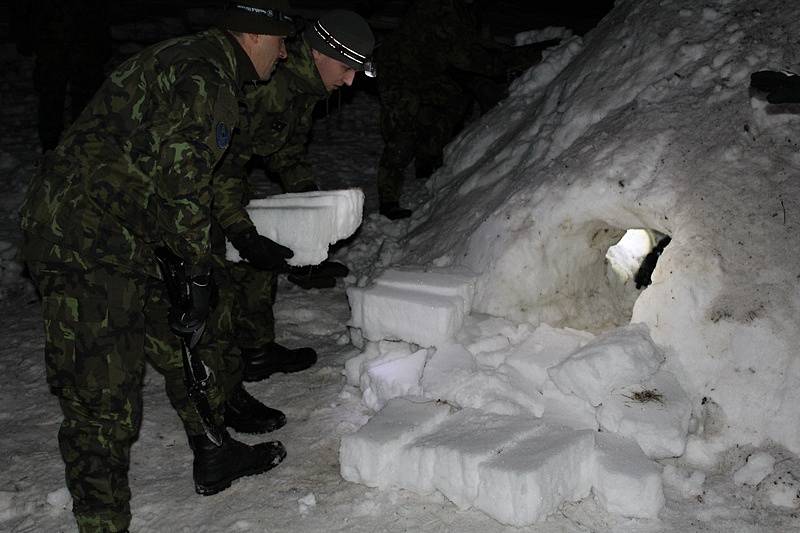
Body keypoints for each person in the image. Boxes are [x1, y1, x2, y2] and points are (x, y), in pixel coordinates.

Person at [18, 2, 295, 531]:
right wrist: (195, 269)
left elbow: (181, 173)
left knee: (182, 344)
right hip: (85, 244)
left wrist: (226, 240)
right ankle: (103, 524)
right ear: (257, 35)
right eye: (281, 40)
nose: (284, 53)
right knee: (103, 398)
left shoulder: (198, 60)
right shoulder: (207, 74)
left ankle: (213, 451)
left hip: (128, 230)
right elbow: (182, 179)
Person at [213, 9, 376, 383]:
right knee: (225, 262)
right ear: (319, 52)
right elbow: (216, 165)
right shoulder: (267, 83)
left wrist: (307, 200)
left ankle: (254, 350)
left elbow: (284, 148)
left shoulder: (304, 84)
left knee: (254, 255)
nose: (350, 81)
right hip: (196, 176)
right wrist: (240, 230)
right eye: (346, 67)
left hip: (223, 172)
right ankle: (227, 366)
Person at [374, 0, 521, 220]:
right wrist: (497, 65)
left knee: (448, 104)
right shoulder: (441, 7)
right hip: (399, 71)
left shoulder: (466, 9)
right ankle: (388, 200)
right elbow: (460, 51)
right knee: (402, 133)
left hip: (428, 70)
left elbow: (470, 41)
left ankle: (426, 160)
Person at [12, 0, 112, 152]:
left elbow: (98, 11)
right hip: (57, 43)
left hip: (77, 44)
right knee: (53, 98)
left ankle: (76, 144)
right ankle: (55, 145)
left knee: (77, 97)